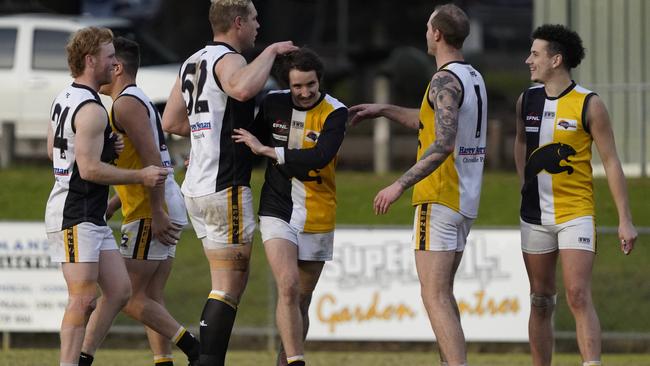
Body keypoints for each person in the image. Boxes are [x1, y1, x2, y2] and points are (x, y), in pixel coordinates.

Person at [349, 5, 486, 366]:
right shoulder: (470, 75)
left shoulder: (443, 79)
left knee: (434, 296)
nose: (426, 33)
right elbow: (430, 122)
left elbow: (443, 142)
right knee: (443, 294)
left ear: (437, 34)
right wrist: (384, 109)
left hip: (439, 195)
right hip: (464, 198)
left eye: (428, 27)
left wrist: (398, 185)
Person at [162, 1, 297, 364]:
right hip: (225, 186)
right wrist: (270, 52)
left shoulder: (192, 61)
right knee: (229, 285)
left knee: (223, 281)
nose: (258, 26)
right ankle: (207, 361)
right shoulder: (229, 58)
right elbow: (240, 89)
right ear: (237, 22)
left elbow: (171, 122)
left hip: (197, 185)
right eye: (254, 20)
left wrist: (206, 139)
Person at [514, 24, 638, 366]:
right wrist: (523, 182)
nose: (528, 60)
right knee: (541, 299)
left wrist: (625, 220)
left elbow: (612, 162)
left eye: (535, 54)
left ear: (556, 60)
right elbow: (521, 143)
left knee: (577, 294)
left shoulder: (590, 104)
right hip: (534, 216)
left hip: (576, 213)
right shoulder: (527, 100)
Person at [45, 27, 168, 366]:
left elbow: (54, 150)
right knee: (83, 299)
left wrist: (103, 149)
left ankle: (83, 358)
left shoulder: (64, 97)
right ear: (90, 60)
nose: (115, 63)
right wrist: (140, 175)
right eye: (110, 56)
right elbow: (88, 171)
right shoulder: (93, 109)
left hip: (90, 214)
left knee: (120, 290)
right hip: (73, 212)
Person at [76, 37, 200, 366]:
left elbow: (153, 165)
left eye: (104, 60)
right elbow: (145, 162)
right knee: (150, 297)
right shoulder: (134, 100)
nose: (98, 67)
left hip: (151, 207)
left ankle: (195, 348)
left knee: (126, 296)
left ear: (116, 67)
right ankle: (164, 361)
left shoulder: (124, 105)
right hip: (155, 202)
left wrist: (157, 212)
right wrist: (116, 203)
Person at [233, 48, 348, 366]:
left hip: (318, 210)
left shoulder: (336, 112)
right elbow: (247, 142)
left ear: (319, 81)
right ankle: (298, 362)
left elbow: (320, 156)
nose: (305, 92)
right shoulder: (272, 103)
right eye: (298, 86)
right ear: (288, 84)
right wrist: (210, 158)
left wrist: (271, 152)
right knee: (288, 284)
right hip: (277, 207)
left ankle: (284, 360)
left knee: (301, 300)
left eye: (310, 84)